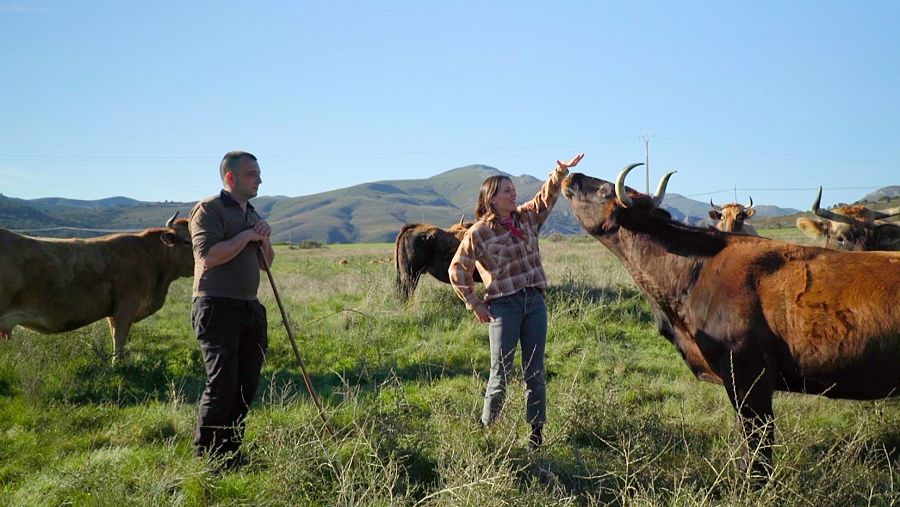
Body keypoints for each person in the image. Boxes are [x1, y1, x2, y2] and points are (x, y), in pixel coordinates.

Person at [449, 153, 584, 448]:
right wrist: (475, 303)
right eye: (507, 191)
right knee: (501, 373)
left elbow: (545, 198)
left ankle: (536, 436)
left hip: (534, 303)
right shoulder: (479, 233)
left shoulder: (525, 218)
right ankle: (487, 434)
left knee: (535, 371)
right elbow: (457, 269)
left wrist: (559, 172)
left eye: (513, 189)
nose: (514, 194)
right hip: (504, 308)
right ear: (492, 199)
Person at [189, 150, 275, 468]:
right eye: (253, 174)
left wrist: (263, 240)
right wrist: (247, 235)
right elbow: (208, 256)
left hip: (249, 307)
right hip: (215, 306)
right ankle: (205, 457)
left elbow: (266, 265)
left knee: (246, 384)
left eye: (259, 173)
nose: (260, 179)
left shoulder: (252, 213)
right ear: (231, 177)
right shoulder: (208, 210)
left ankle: (230, 452)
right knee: (222, 383)